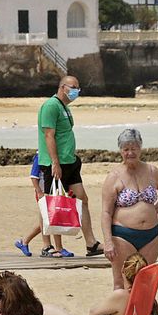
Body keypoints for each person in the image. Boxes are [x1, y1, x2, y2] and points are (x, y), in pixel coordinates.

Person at [98, 128, 158, 289]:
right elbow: (106, 212)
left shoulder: (152, 171)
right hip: (123, 235)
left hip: (151, 235)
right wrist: (107, 242)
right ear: (120, 150)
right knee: (122, 281)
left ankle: (146, 314)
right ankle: (121, 314)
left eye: (133, 148)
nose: (130, 153)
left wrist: (156, 209)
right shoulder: (114, 177)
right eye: (126, 149)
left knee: (147, 280)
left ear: (140, 148)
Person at [39, 75, 99, 256]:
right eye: (73, 87)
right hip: (56, 164)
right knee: (52, 203)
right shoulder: (51, 106)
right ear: (62, 87)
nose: (76, 91)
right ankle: (49, 246)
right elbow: (49, 135)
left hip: (70, 162)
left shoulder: (64, 107)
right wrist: (55, 162)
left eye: (78, 88)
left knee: (82, 199)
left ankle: (91, 244)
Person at [43, 252, 149, 315]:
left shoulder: (121, 295)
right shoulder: (145, 297)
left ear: (122, 271)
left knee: (46, 310)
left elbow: (92, 313)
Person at [14, 152, 69, 258]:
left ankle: (25, 241)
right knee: (48, 219)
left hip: (53, 191)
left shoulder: (55, 156)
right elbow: (34, 176)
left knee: (52, 219)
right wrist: (39, 192)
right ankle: (45, 245)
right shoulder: (40, 156)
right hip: (43, 192)